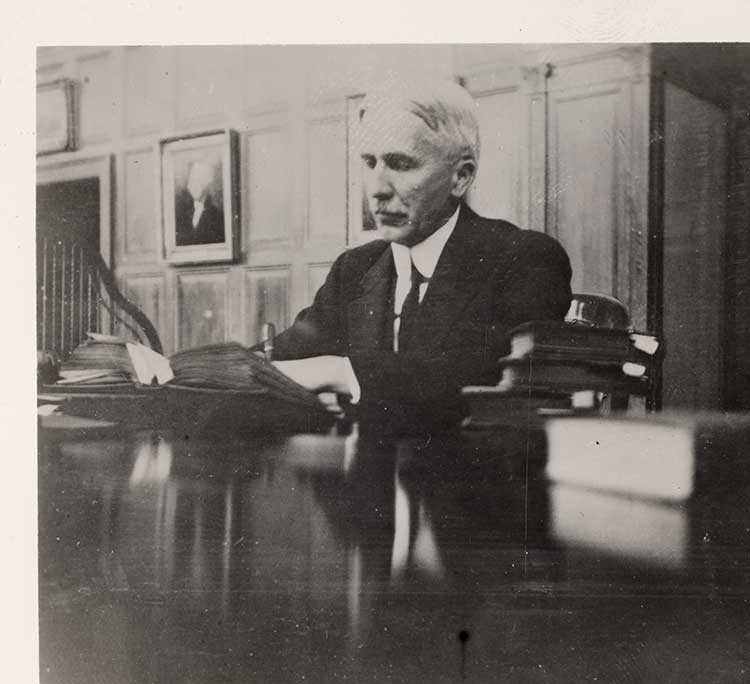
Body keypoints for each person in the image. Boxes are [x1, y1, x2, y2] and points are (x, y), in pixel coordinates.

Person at [269, 76, 572, 433]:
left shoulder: (523, 259)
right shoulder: (355, 268)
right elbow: (283, 356)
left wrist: (337, 373)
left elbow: (475, 377)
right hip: (364, 478)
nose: (378, 190)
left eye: (401, 163)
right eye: (370, 163)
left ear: (461, 176)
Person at [175, 160, 226, 246]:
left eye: (196, 181)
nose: (189, 186)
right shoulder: (180, 212)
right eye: (191, 180)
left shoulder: (218, 218)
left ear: (207, 184)